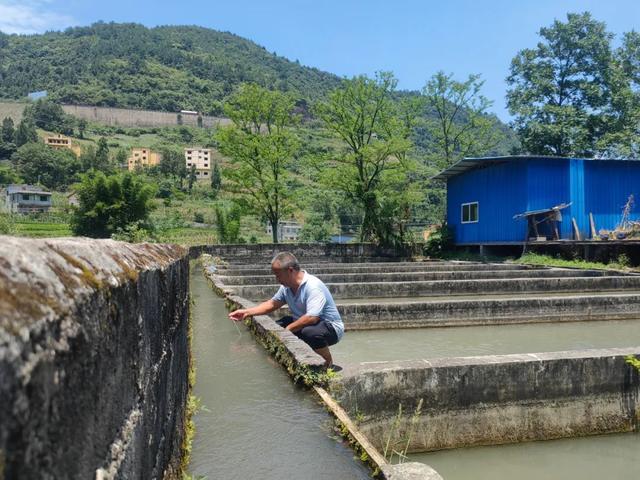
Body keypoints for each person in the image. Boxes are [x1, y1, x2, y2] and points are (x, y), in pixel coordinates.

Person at [228, 251, 344, 367]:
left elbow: (312, 318)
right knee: (278, 325)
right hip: (306, 323)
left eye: (278, 275)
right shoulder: (286, 287)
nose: (277, 279)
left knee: (309, 332)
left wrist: (287, 330)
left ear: (290, 271)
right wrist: (246, 312)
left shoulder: (313, 286)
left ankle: (327, 363)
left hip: (330, 328)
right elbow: (272, 304)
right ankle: (281, 358)